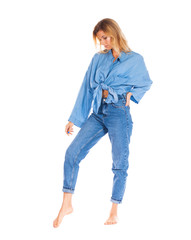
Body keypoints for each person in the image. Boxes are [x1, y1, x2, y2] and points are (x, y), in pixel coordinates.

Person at [53, 18, 153, 228]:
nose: (103, 43)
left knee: (119, 163)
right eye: (100, 40)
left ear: (115, 33)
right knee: (72, 153)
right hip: (98, 112)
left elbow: (145, 82)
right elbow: (86, 88)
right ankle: (66, 204)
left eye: (105, 38)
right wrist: (74, 118)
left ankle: (114, 210)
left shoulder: (135, 59)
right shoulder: (98, 59)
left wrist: (131, 95)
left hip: (119, 113)